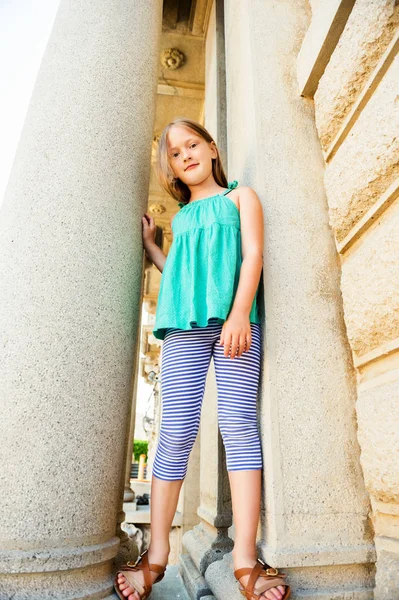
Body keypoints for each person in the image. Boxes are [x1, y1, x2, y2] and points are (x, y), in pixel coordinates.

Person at [114, 118, 291, 600]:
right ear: (170, 167)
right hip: (184, 327)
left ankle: (244, 560)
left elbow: (252, 256)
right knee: (175, 429)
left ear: (211, 148)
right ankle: (156, 559)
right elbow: (182, 275)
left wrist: (239, 315)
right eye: (174, 152)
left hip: (235, 324)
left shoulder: (241, 198)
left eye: (192, 143)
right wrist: (154, 249)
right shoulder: (182, 218)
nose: (185, 154)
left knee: (237, 425)